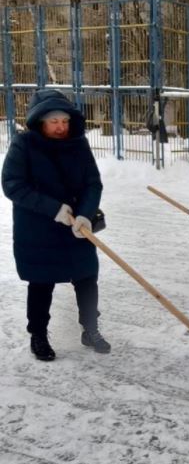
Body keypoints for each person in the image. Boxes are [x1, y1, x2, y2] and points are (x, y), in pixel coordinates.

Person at [1, 89, 110, 361]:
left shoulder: (79, 144)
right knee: (41, 284)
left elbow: (92, 183)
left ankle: (90, 328)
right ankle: (38, 334)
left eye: (64, 121)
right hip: (38, 229)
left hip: (77, 228)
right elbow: (12, 185)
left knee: (86, 279)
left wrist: (84, 214)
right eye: (54, 122)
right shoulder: (24, 144)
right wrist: (54, 209)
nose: (61, 127)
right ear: (40, 121)